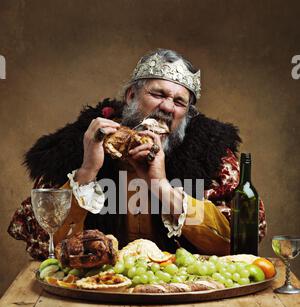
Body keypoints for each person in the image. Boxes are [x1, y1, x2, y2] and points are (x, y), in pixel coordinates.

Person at [8, 49, 266, 259]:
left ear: (186, 115)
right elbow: (42, 242)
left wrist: (162, 186)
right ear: (131, 95)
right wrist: (87, 172)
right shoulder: (81, 142)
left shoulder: (209, 152)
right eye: (158, 94)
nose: (167, 107)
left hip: (183, 295)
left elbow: (241, 242)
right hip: (99, 289)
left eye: (179, 102)